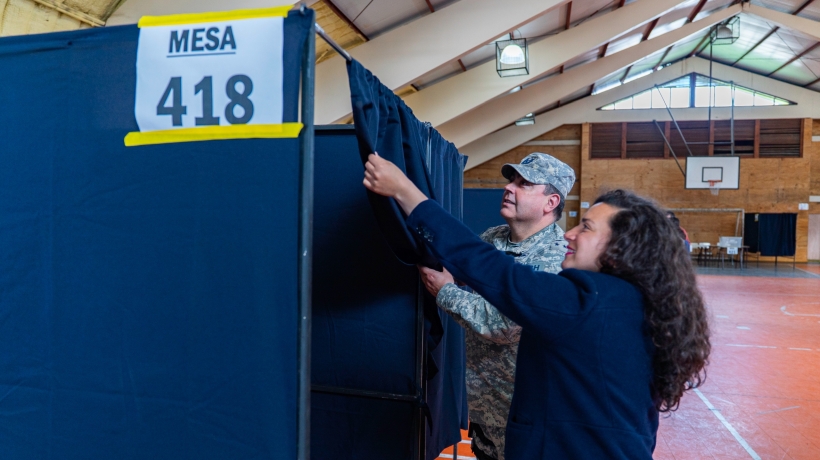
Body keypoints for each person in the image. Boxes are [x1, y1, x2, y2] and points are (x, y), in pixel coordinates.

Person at [362, 153, 710, 459]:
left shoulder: (584, 301)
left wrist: (405, 192)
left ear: (621, 248)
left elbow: (493, 273)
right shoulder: (631, 300)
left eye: (586, 227)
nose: (570, 234)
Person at [417, 153, 574, 460]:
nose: (509, 188)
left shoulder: (557, 259)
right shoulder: (495, 238)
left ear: (550, 202)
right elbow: (465, 267)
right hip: (485, 413)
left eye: (524, 184)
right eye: (511, 180)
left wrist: (445, 290)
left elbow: (501, 323)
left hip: (526, 420)